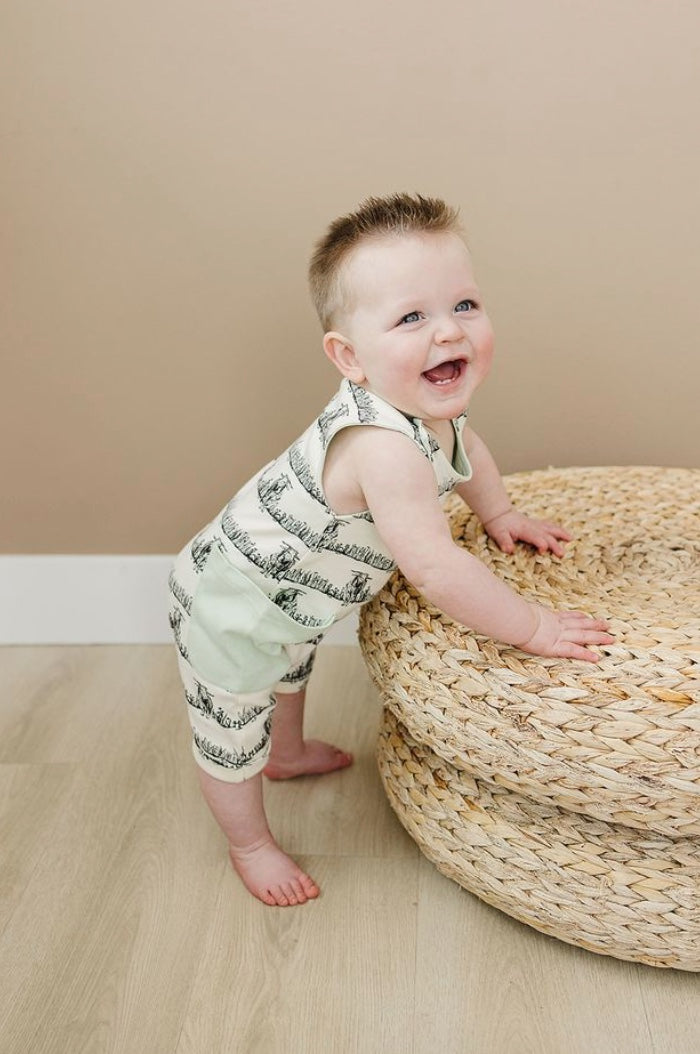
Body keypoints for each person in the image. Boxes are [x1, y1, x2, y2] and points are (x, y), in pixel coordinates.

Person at [168, 192, 614, 908]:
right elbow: (436, 568)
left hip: (293, 596)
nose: (448, 334)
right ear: (350, 357)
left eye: (464, 305)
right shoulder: (384, 448)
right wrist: (533, 627)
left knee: (291, 667)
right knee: (233, 724)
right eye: (412, 318)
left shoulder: (423, 407)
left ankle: (288, 754)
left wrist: (497, 511)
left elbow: (467, 446)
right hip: (231, 603)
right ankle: (249, 841)